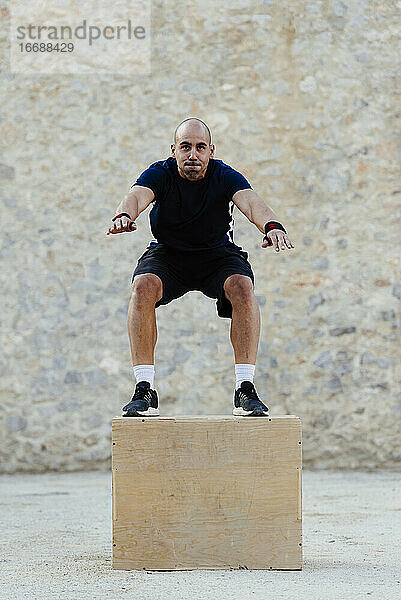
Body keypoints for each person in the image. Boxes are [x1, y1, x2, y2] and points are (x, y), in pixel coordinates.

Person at [107, 117, 295, 417]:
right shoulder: (160, 172)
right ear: (174, 151)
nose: (192, 154)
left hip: (217, 255)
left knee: (242, 286)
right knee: (142, 286)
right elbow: (137, 195)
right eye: (185, 147)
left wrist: (272, 226)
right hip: (169, 255)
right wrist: (124, 214)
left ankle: (245, 389)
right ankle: (144, 389)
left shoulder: (224, 175)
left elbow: (250, 202)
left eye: (199, 147)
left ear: (211, 151)